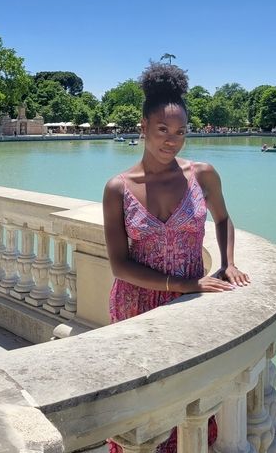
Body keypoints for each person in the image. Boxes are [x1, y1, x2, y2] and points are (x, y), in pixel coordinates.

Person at [102, 62, 250, 453]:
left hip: (190, 304)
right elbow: (119, 264)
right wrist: (184, 284)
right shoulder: (118, 188)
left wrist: (229, 261)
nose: (172, 140)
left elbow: (224, 218)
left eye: (181, 131)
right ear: (144, 127)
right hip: (138, 306)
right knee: (143, 410)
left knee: (191, 406)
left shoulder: (203, 174)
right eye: (163, 130)